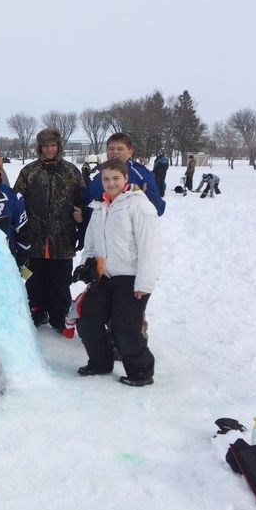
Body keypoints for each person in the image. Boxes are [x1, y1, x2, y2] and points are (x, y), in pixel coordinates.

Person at [75, 158, 160, 387]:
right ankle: (100, 363)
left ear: (125, 179)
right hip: (104, 277)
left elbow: (149, 247)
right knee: (87, 322)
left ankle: (141, 372)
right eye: (106, 179)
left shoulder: (139, 206)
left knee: (126, 330)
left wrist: (144, 283)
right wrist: (87, 265)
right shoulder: (99, 207)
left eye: (115, 178)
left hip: (131, 278)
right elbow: (90, 243)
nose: (110, 183)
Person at [13, 128, 85, 330]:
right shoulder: (29, 172)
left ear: (59, 146)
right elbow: (17, 202)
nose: (50, 149)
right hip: (35, 240)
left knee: (60, 283)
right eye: (46, 145)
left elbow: (82, 201)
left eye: (53, 145)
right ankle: (36, 313)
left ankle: (59, 317)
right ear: (40, 147)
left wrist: (81, 228)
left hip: (62, 239)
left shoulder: (71, 171)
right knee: (34, 281)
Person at [84, 133, 166, 216]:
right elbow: (87, 203)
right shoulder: (100, 174)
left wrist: (148, 197)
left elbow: (159, 210)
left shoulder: (141, 175)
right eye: (111, 149)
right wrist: (82, 214)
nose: (115, 152)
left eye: (120, 149)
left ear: (130, 152)